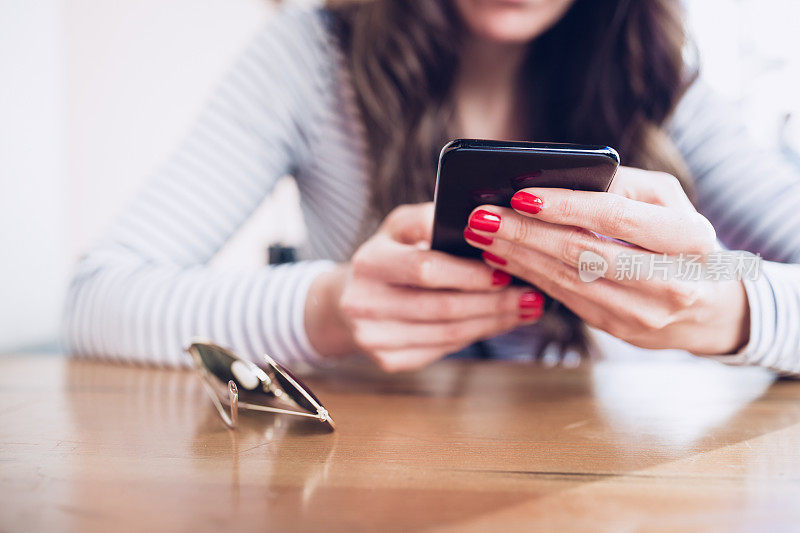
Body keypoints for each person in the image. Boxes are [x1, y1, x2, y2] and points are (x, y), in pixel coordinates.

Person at [63, 0, 800, 374]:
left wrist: (729, 305)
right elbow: (99, 297)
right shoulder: (311, 54)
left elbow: (747, 281)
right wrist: (327, 308)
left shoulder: (658, 74)